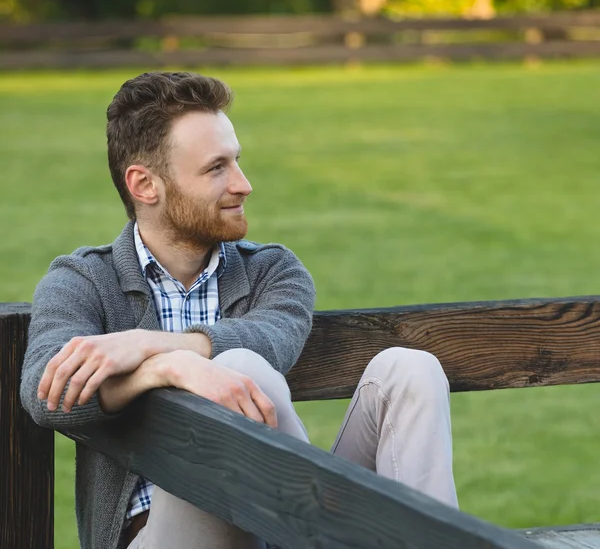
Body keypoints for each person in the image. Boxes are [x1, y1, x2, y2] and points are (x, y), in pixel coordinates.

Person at [20, 71, 458, 549]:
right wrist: (166, 370)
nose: (244, 184)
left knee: (410, 368)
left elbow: (274, 339)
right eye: (216, 169)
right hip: (160, 536)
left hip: (274, 520)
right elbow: (43, 393)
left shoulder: (273, 270)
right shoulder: (83, 280)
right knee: (239, 366)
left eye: (237, 162)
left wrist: (148, 344)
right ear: (145, 185)